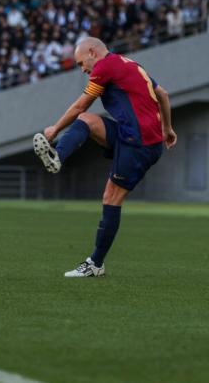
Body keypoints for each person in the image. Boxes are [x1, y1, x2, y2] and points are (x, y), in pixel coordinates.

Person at [33, 37, 177, 277]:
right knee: (86, 121)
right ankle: (57, 155)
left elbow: (81, 104)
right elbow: (163, 94)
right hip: (130, 135)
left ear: (92, 52)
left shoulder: (105, 67)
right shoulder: (128, 63)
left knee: (111, 196)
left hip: (140, 144)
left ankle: (95, 264)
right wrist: (167, 128)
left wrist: (55, 129)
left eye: (81, 63)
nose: (82, 69)